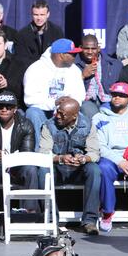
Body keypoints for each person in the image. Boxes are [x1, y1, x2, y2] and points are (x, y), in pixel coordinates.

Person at [38, 97, 101, 235]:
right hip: (58, 167)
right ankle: (51, 220)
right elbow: (43, 153)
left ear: (74, 116)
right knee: (43, 171)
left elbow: (94, 152)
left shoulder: (88, 125)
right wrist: (60, 158)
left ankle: (90, 221)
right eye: (58, 112)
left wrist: (84, 158)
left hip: (78, 169)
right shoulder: (49, 125)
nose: (57, 116)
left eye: (62, 114)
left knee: (95, 170)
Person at [0, 91, 39, 212]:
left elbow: (27, 154)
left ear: (15, 109)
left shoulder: (26, 125)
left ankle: (29, 214)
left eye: (8, 107)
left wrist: (11, 159)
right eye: (0, 107)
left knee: (30, 169)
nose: (4, 109)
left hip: (17, 167)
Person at [92, 82, 128, 232]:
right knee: (103, 168)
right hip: (112, 160)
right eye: (114, 95)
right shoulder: (99, 117)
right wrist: (120, 162)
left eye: (122, 95)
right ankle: (107, 212)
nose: (117, 98)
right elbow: (100, 146)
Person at [24, 38, 86, 149]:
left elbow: (80, 95)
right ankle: (40, 154)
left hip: (66, 112)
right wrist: (54, 103)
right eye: (72, 54)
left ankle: (77, 152)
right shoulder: (35, 69)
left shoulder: (75, 70)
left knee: (83, 112)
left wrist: (69, 103)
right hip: (44, 112)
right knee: (32, 113)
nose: (75, 57)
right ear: (61, 55)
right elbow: (30, 99)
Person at [75, 34, 123, 119]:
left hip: (108, 99)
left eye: (93, 48)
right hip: (86, 101)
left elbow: (121, 86)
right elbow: (69, 89)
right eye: (86, 48)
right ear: (80, 48)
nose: (90, 52)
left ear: (98, 48)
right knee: (92, 115)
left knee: (111, 116)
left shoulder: (113, 64)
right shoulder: (73, 65)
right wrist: (82, 75)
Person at [14, 0, 64, 66]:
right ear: (32, 14)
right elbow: (21, 59)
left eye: (42, 15)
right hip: (31, 70)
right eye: (36, 15)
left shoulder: (57, 31)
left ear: (48, 14)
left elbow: (61, 54)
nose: (39, 18)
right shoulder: (22, 35)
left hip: (53, 69)